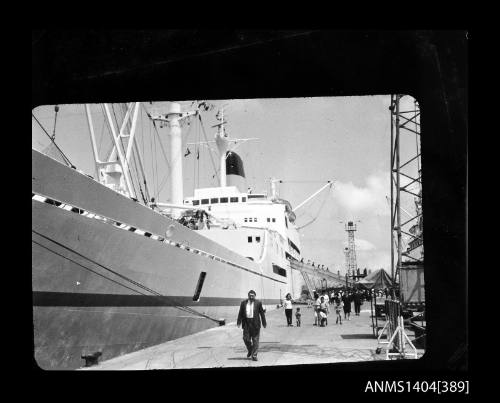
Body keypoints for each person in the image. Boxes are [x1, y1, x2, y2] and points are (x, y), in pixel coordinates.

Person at [237, 290, 267, 361]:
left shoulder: (258, 303)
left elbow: (262, 314)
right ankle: (250, 350)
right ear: (248, 296)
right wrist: (239, 322)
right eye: (250, 295)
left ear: (255, 296)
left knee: (255, 340)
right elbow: (240, 313)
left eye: (252, 295)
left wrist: (264, 322)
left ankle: (254, 355)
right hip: (246, 324)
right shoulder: (243, 303)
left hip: (255, 323)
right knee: (245, 339)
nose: (251, 297)